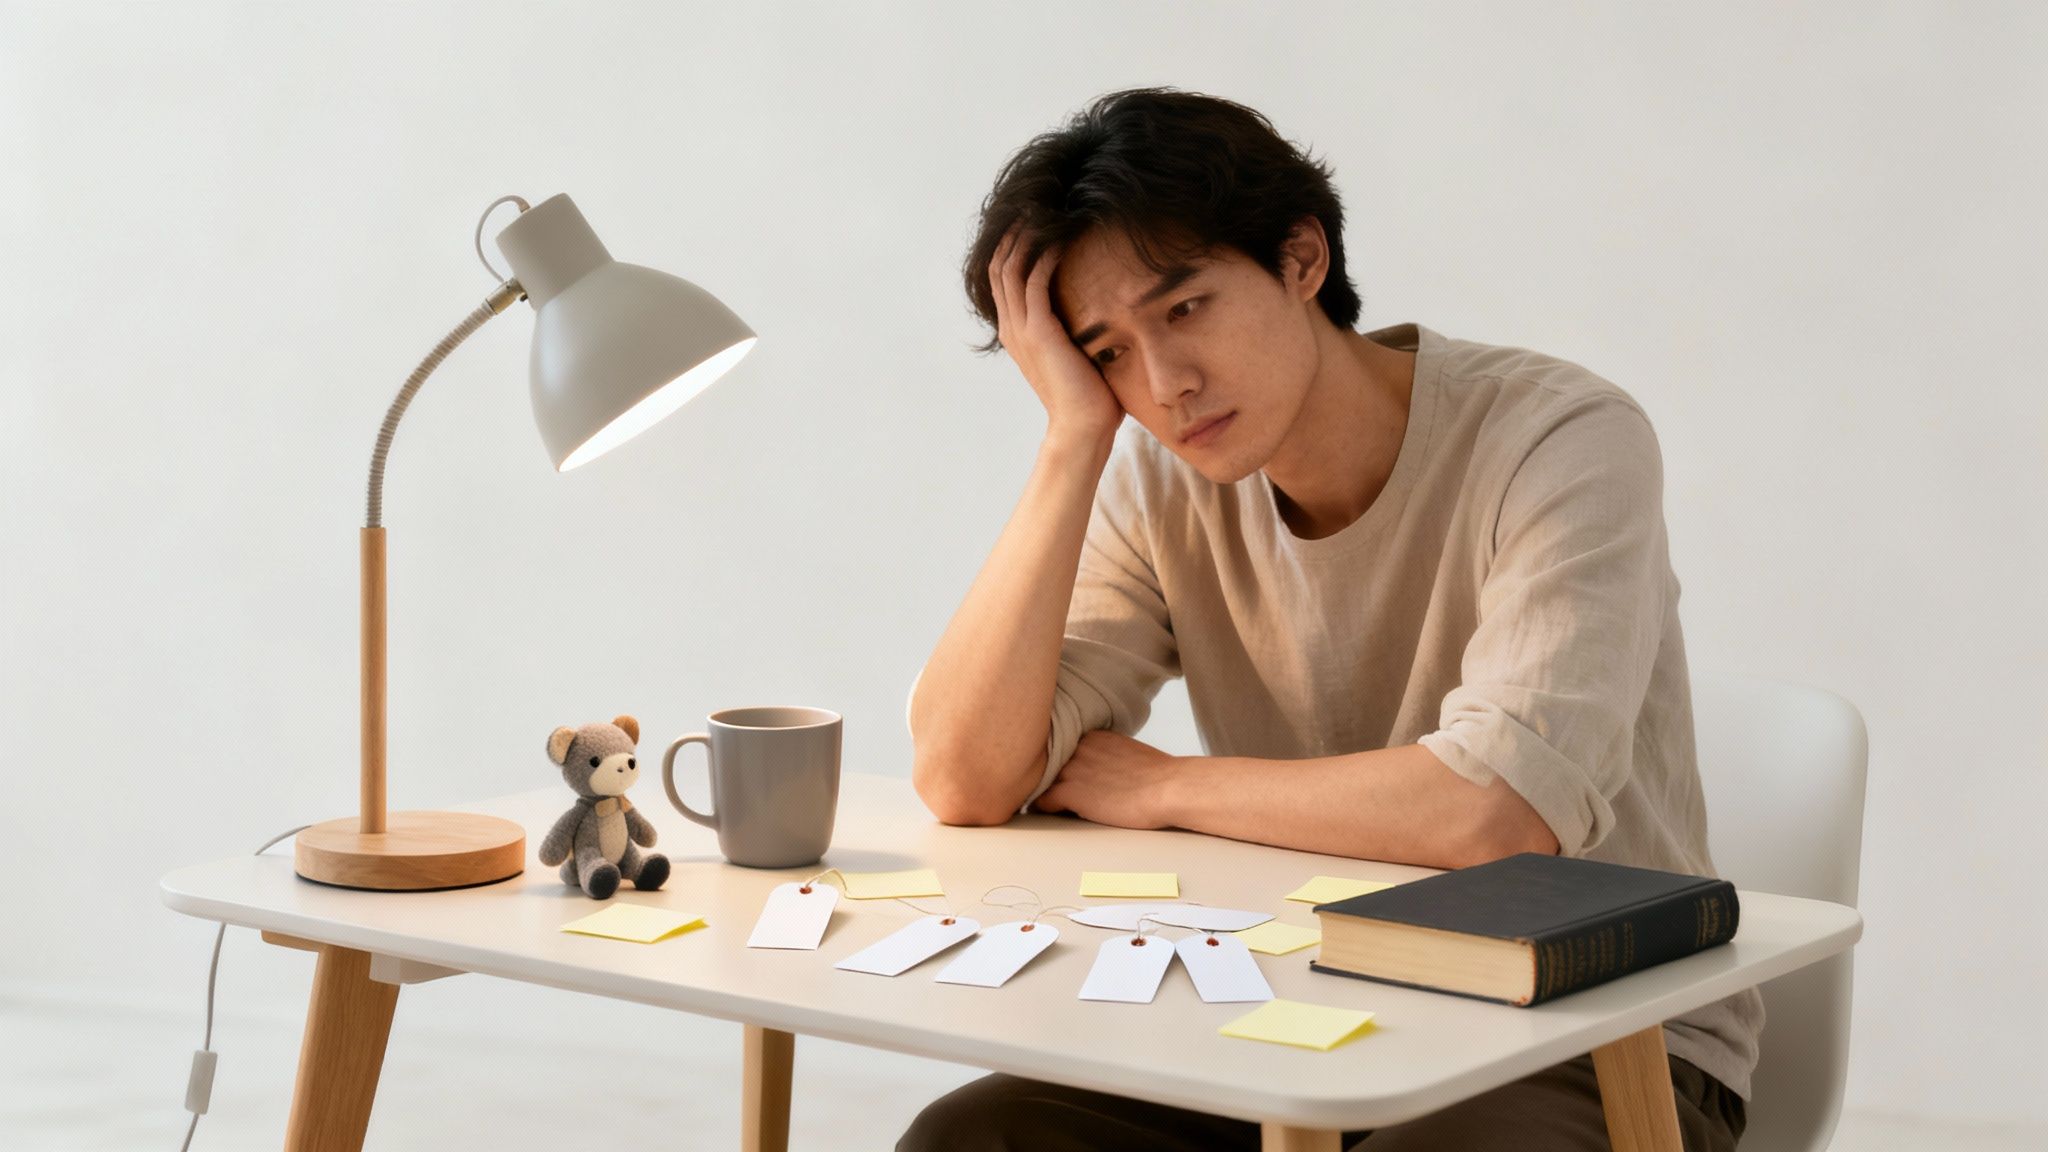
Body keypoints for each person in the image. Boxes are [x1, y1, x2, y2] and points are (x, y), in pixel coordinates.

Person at [900, 87, 1758, 1152]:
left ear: (1299, 260)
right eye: (1107, 352)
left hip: (1593, 1038)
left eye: (1182, 308)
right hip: (1298, 1013)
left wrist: (1166, 785)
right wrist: (1071, 441)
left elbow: (1494, 813)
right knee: (975, 1138)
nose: (1162, 385)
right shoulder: (1161, 483)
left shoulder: (1559, 437)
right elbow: (965, 775)